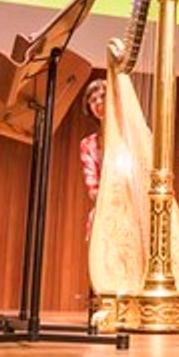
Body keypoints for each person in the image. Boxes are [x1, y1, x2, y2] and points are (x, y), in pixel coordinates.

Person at [78, 78, 107, 239]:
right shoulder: (88, 144)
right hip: (105, 210)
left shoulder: (131, 139)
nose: (98, 102)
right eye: (93, 100)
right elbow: (93, 189)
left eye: (103, 96)